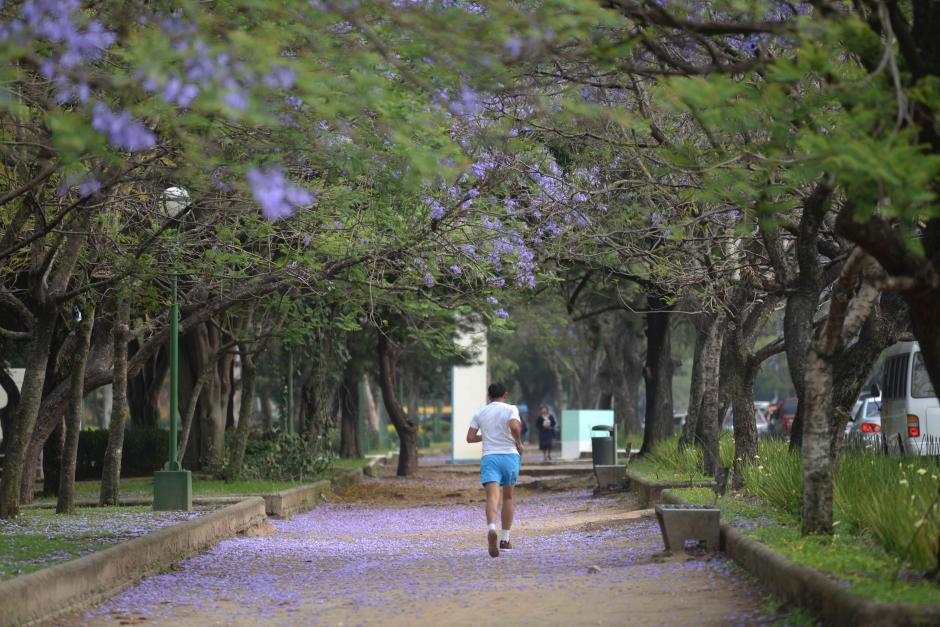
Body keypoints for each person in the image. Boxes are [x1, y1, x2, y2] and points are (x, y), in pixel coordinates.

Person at [466, 382, 524, 558]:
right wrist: (518, 443)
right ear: (505, 395)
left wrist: (488, 435)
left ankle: (491, 528)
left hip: (490, 458)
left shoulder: (480, 412)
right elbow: (514, 427)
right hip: (509, 457)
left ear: (488, 396)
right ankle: (505, 540)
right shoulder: (511, 409)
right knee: (508, 497)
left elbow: (469, 438)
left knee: (492, 497)